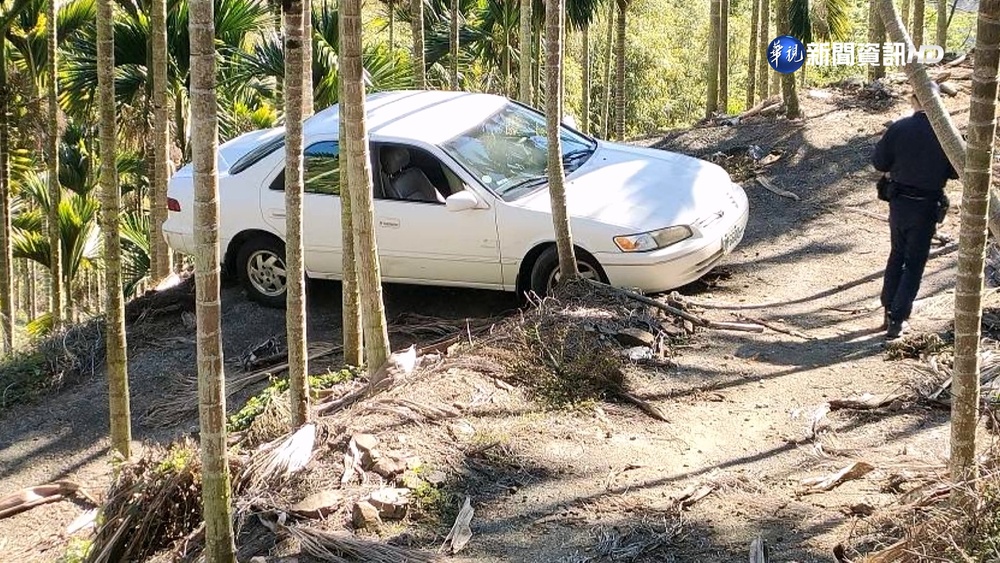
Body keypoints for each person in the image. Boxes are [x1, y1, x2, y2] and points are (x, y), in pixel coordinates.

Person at [872, 82, 957, 339]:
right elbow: (956, 170)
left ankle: (888, 310)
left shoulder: (899, 128)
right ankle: (898, 319)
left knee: (897, 254)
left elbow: (879, 162)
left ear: (914, 100)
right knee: (915, 262)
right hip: (926, 205)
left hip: (899, 201)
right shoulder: (948, 133)